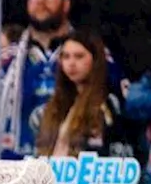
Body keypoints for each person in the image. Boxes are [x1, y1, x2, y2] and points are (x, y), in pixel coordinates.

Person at [0, 0, 124, 159]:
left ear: (66, 4)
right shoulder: (2, 63)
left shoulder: (95, 56)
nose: (40, 1)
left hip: (75, 169)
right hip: (15, 172)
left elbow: (118, 114)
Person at [35, 29, 137, 174]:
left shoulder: (107, 103)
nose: (71, 63)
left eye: (79, 56)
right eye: (66, 57)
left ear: (95, 60)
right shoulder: (57, 104)